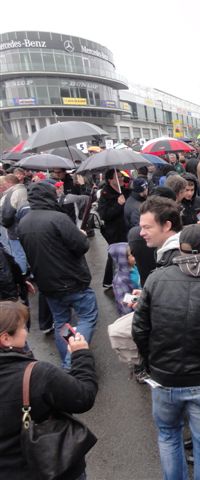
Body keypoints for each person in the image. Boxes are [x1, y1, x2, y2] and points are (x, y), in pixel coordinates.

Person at [133, 225, 200, 480]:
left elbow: (140, 328)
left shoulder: (156, 278)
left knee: (169, 438)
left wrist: (151, 362)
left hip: (164, 379)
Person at [0, 301, 98, 480]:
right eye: (22, 327)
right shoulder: (37, 374)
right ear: (6, 338)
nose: (26, 332)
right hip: (53, 466)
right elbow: (83, 396)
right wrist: (81, 355)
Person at [18, 182, 98, 369]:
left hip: (48, 284)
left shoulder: (23, 222)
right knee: (87, 316)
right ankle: (73, 360)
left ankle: (67, 362)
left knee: (62, 322)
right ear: (49, 196)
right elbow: (81, 246)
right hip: (72, 280)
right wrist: (80, 234)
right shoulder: (59, 218)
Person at [98, 169, 128, 288]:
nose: (121, 179)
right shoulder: (105, 194)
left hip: (125, 227)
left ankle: (122, 277)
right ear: (110, 180)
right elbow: (105, 215)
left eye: (121, 176)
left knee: (124, 253)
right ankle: (109, 280)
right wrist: (118, 205)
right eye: (118, 177)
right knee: (115, 254)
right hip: (114, 231)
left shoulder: (123, 191)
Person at [139, 196, 183, 269]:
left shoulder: (178, 262)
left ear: (167, 226)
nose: (141, 233)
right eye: (141, 227)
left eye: (147, 227)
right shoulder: (166, 254)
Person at [0, 174, 28, 273]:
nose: (3, 186)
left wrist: (4, 223)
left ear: (8, 183)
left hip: (15, 228)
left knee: (18, 253)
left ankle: (22, 274)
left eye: (3, 184)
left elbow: (7, 214)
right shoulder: (24, 190)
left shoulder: (13, 193)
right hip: (24, 226)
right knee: (23, 251)